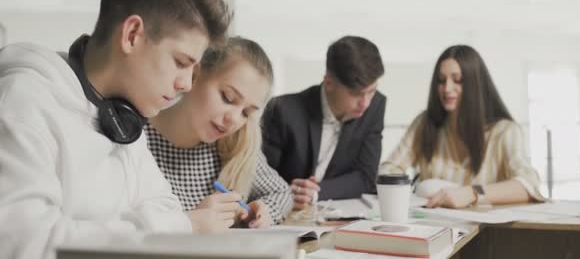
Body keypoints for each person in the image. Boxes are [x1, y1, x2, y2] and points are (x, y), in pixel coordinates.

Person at [0, 0, 232, 259]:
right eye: (180, 62)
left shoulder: (124, 121)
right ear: (132, 34)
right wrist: (178, 227)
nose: (186, 84)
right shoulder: (22, 100)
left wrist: (91, 230)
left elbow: (165, 207)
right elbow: (26, 245)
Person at [145, 37, 292, 229]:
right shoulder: (136, 139)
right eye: (228, 98)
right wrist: (193, 222)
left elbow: (282, 193)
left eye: (246, 113)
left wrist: (264, 211)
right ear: (195, 74)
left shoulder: (234, 145)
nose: (234, 120)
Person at [382, 45, 543, 209]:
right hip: (434, 226)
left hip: (485, 232)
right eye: (441, 80)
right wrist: (403, 194)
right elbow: (389, 168)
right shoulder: (425, 123)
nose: (447, 88)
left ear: (475, 84)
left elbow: (528, 185)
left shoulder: (505, 131)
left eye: (457, 80)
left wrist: (472, 193)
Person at [262, 35, 386, 210]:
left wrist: (316, 192)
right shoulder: (283, 110)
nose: (365, 103)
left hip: (338, 214)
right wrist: (290, 192)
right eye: (356, 93)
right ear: (329, 83)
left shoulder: (375, 106)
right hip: (284, 213)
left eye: (371, 91)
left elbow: (366, 177)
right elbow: (261, 177)